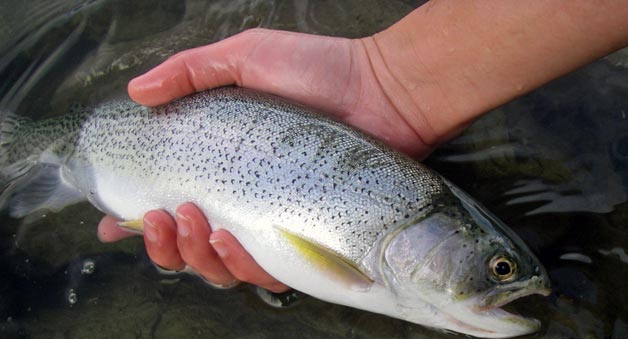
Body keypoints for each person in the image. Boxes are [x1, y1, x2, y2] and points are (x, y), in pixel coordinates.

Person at [97, 0, 628, 292]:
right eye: (500, 271)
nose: (504, 279)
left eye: (502, 270)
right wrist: (387, 77)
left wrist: (391, 76)